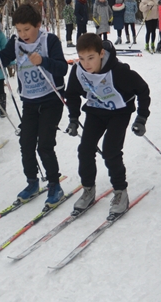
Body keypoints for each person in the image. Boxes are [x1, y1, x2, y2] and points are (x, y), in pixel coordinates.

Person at [0, 3, 68, 207]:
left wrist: (43, 61)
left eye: (27, 29)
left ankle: (54, 185)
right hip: (29, 102)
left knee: (45, 146)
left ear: (38, 25)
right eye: (19, 30)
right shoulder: (15, 42)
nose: (23, 34)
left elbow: (62, 69)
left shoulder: (49, 40)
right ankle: (32, 183)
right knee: (26, 144)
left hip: (51, 100)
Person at [65, 33, 151, 217]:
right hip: (96, 112)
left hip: (119, 113)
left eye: (91, 58)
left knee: (111, 151)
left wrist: (141, 117)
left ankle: (120, 192)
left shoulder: (119, 72)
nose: (86, 64)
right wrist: (73, 118)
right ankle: (88, 189)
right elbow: (71, 93)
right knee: (85, 149)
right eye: (81, 58)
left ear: (101, 53)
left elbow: (143, 90)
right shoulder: (79, 71)